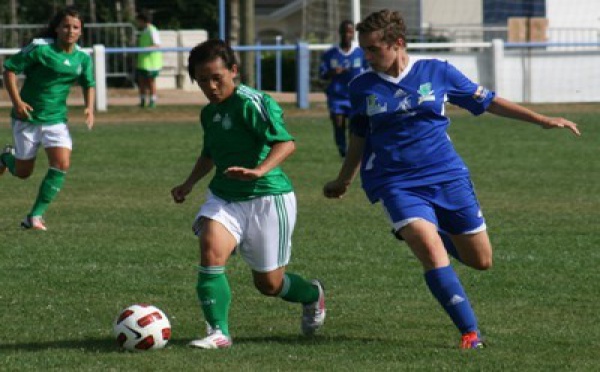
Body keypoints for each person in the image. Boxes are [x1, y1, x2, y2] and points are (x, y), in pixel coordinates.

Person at [323, 9, 580, 349]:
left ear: (397, 43)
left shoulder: (437, 72)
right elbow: (359, 135)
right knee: (427, 247)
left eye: (372, 49)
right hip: (394, 181)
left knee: (480, 260)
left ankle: (426, 232)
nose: (366, 56)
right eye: (364, 49)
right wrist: (344, 179)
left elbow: (488, 101)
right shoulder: (362, 87)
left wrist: (540, 119)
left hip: (447, 176)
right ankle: (470, 333)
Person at [171, 39, 326, 350]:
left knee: (269, 284)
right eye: (203, 80)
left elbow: (286, 143)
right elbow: (210, 153)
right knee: (211, 249)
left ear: (234, 71)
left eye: (217, 77)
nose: (211, 86)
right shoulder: (209, 113)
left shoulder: (252, 102)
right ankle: (219, 332)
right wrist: (188, 184)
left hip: (268, 197)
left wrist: (259, 170)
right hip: (225, 197)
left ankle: (313, 295)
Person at [0, 6, 95, 231]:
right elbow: (9, 70)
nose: (70, 31)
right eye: (66, 26)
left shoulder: (82, 57)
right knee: (24, 173)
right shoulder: (40, 49)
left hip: (56, 120)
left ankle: (34, 216)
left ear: (81, 31)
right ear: (57, 28)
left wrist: (89, 108)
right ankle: (5, 158)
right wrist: (17, 102)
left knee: (61, 163)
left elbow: (88, 83)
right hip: (28, 118)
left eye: (75, 27)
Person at [319, 20, 368, 157]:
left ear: (353, 34)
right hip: (336, 96)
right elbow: (322, 75)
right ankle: (342, 150)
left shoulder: (360, 52)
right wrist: (333, 72)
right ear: (339, 32)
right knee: (338, 123)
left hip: (355, 96)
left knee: (355, 126)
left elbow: (369, 70)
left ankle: (353, 152)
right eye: (344, 31)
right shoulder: (330, 53)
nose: (347, 34)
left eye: (350, 32)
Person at [135, 11, 162, 108]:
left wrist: (145, 49)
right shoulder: (144, 31)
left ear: (143, 20)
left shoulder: (152, 30)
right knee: (141, 81)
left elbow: (157, 45)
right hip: (143, 62)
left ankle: (152, 101)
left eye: (138, 21)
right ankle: (142, 100)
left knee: (151, 82)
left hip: (151, 63)